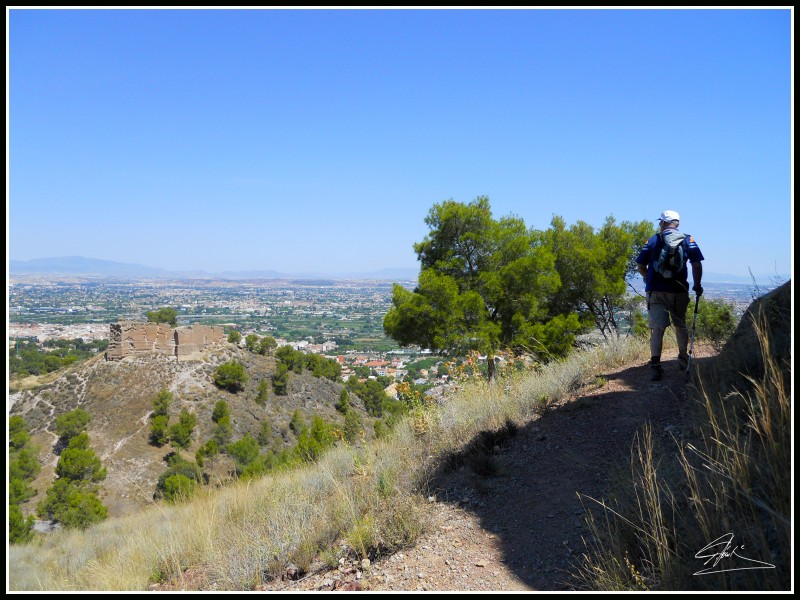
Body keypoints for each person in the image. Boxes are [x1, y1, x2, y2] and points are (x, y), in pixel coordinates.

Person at [635, 210, 704, 381]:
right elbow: (696, 265)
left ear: (664, 223)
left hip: (656, 291)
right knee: (680, 325)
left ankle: (656, 366)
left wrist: (647, 279)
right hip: (679, 291)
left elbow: (640, 264)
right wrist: (697, 285)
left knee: (657, 329)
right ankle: (682, 359)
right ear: (677, 223)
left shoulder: (654, 239)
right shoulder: (688, 240)